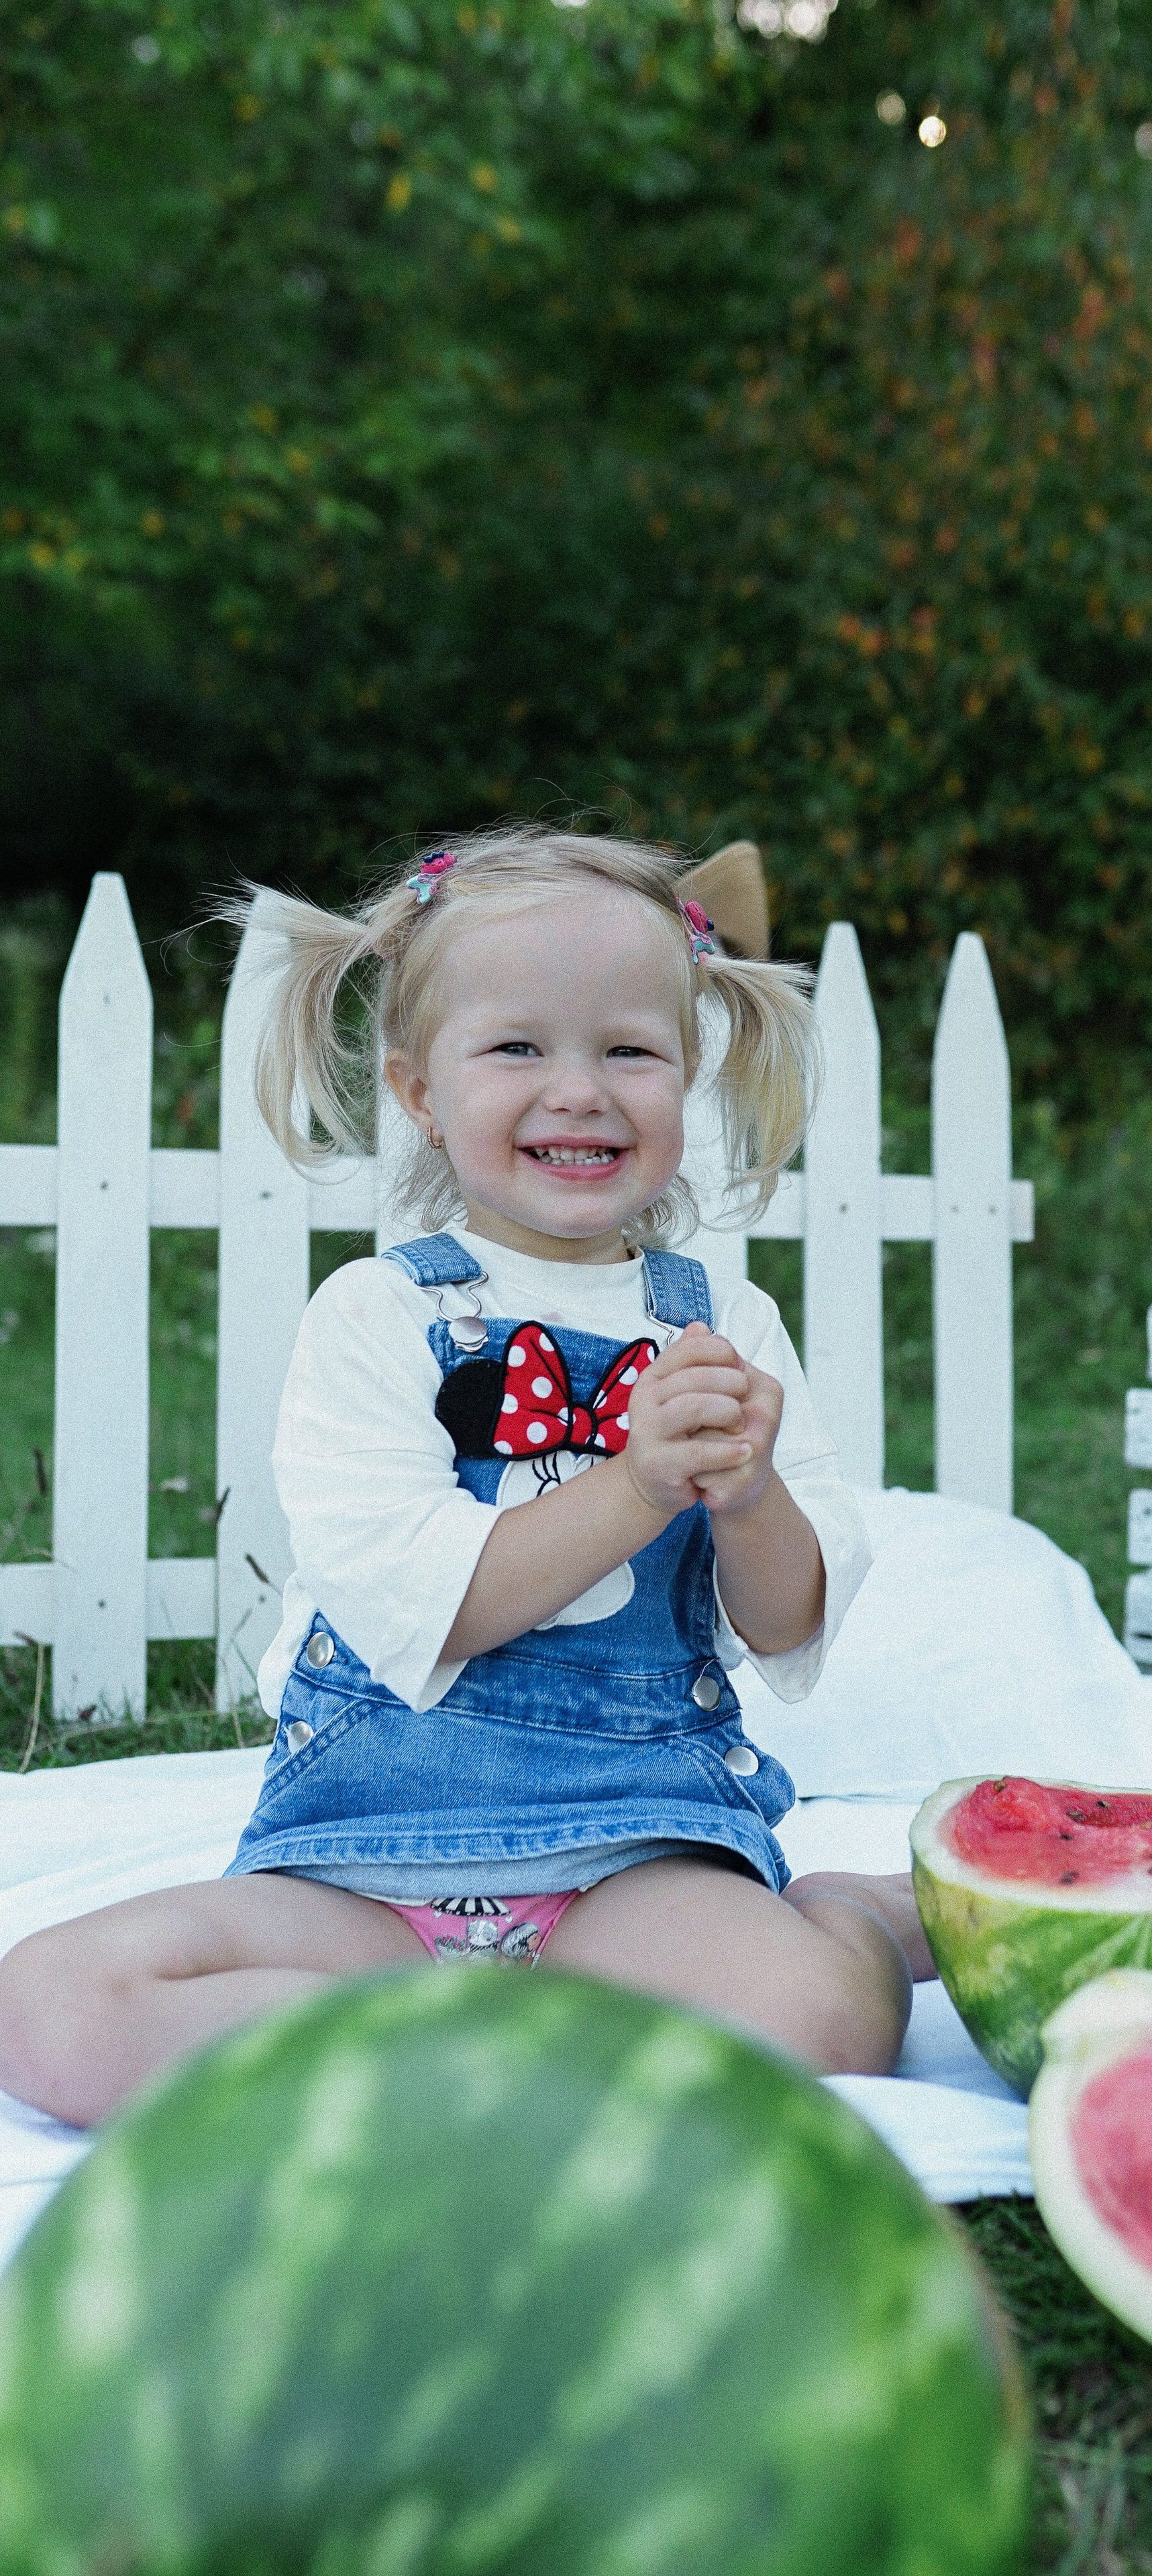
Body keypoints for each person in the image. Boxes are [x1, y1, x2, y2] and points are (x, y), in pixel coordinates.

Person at [0, 828, 931, 2128]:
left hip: (633, 1862)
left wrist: (752, 1493)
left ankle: (836, 1918)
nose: (579, 1090)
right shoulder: (372, 1317)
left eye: (628, 1050)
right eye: (516, 1048)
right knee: (49, 2005)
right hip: (364, 1873)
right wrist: (637, 1485)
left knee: (821, 2021)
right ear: (418, 1089)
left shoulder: (727, 1325)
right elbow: (434, 1604)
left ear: (687, 1076)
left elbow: (784, 1622)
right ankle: (514, 2051)